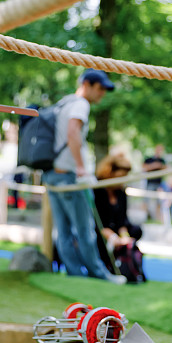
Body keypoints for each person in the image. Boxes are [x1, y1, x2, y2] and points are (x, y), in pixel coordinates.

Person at [42, 69, 126, 284]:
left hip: (52, 174)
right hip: (69, 176)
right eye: (100, 88)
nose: (102, 94)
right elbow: (73, 132)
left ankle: (74, 275)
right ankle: (98, 275)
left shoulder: (64, 103)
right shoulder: (81, 104)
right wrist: (81, 168)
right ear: (87, 84)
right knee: (85, 228)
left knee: (64, 230)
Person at [93, 152, 145, 283]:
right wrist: (114, 238)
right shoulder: (98, 191)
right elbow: (99, 223)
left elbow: (122, 221)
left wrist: (124, 239)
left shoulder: (121, 193)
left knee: (136, 231)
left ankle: (128, 267)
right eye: (121, 176)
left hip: (116, 229)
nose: (124, 180)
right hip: (102, 232)